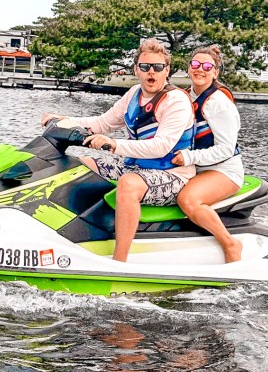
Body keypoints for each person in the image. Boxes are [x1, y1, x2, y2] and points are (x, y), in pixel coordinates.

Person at [41, 38, 194, 262]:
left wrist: (114, 145)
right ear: (136, 70)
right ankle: (77, 233)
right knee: (81, 165)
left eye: (158, 67)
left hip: (173, 176)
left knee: (129, 184)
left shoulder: (176, 101)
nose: (151, 73)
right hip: (135, 166)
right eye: (145, 67)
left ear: (167, 70)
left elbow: (161, 147)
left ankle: (119, 260)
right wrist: (65, 120)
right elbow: (103, 123)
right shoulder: (133, 94)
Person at [171, 45, 245, 262]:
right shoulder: (185, 97)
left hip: (223, 170)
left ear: (215, 72)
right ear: (188, 68)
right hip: (193, 168)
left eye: (207, 66)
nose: (200, 69)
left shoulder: (218, 103)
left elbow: (226, 149)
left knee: (188, 200)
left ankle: (230, 244)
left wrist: (189, 156)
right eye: (195, 64)